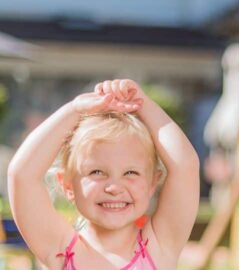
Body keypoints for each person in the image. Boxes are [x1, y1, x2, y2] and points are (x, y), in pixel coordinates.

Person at [8, 79, 200, 269]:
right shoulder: (59, 248)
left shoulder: (160, 246)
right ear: (67, 184)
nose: (114, 187)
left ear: (152, 183)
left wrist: (143, 103)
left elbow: (185, 165)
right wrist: (75, 110)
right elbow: (22, 175)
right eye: (97, 172)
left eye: (130, 172)